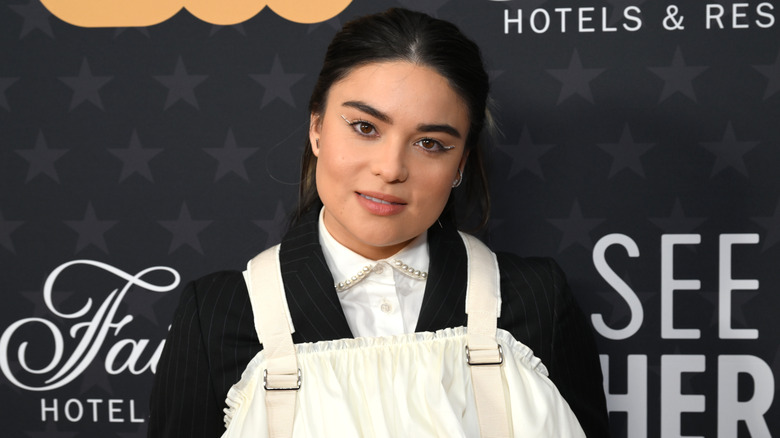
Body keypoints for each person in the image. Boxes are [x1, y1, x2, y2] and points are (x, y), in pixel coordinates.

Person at [148, 8, 609, 438]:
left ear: (461, 164)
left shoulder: (536, 298)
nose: (391, 169)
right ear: (317, 128)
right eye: (365, 127)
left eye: (430, 143)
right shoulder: (218, 313)